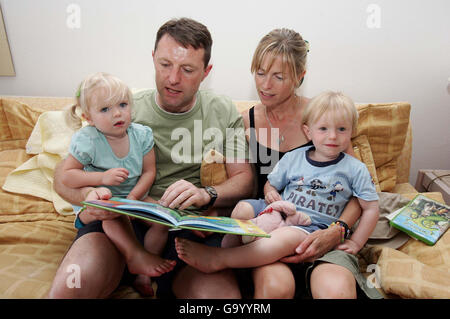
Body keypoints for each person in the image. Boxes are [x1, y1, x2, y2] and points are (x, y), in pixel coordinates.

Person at [48, 18, 253, 299]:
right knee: (69, 287)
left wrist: (206, 194)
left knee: (222, 300)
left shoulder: (222, 111)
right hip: (119, 220)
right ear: (153, 58)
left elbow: (244, 181)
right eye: (165, 64)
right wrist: (87, 195)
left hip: (185, 228)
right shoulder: (121, 109)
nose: (172, 78)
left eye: (187, 69)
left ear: (206, 72)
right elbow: (63, 174)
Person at [236, 28, 378, 299]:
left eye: (278, 77)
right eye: (260, 73)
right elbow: (246, 184)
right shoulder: (247, 122)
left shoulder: (325, 119)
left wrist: (338, 231)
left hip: (324, 229)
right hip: (274, 230)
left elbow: (360, 192)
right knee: (276, 289)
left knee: (334, 290)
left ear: (300, 77)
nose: (266, 85)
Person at [175, 91, 380, 277]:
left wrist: (356, 242)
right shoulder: (294, 157)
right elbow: (271, 184)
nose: (333, 136)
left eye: (341, 129)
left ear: (351, 131)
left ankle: (219, 259)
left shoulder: (355, 169)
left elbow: (371, 208)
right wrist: (270, 192)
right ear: (308, 132)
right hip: (276, 209)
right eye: (323, 129)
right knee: (242, 209)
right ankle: (230, 252)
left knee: (283, 237)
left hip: (310, 225)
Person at [61, 72, 175, 296]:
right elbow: (68, 176)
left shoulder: (141, 135)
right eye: (105, 109)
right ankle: (134, 255)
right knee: (107, 200)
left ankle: (143, 274)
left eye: (122, 104)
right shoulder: (88, 140)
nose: (117, 113)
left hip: (134, 197)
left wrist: (133, 197)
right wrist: (101, 179)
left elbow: (149, 171)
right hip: (98, 204)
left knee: (164, 218)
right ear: (89, 117)